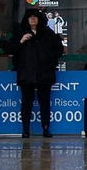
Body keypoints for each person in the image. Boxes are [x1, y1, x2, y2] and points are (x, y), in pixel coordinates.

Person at [12, 9, 64, 138]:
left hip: (44, 73)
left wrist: (50, 60)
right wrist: (21, 41)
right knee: (26, 103)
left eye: (35, 17)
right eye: (30, 17)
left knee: (44, 102)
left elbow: (58, 49)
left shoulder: (47, 33)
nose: (33, 19)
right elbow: (12, 50)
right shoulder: (20, 33)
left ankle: (46, 128)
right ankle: (25, 130)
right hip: (26, 74)